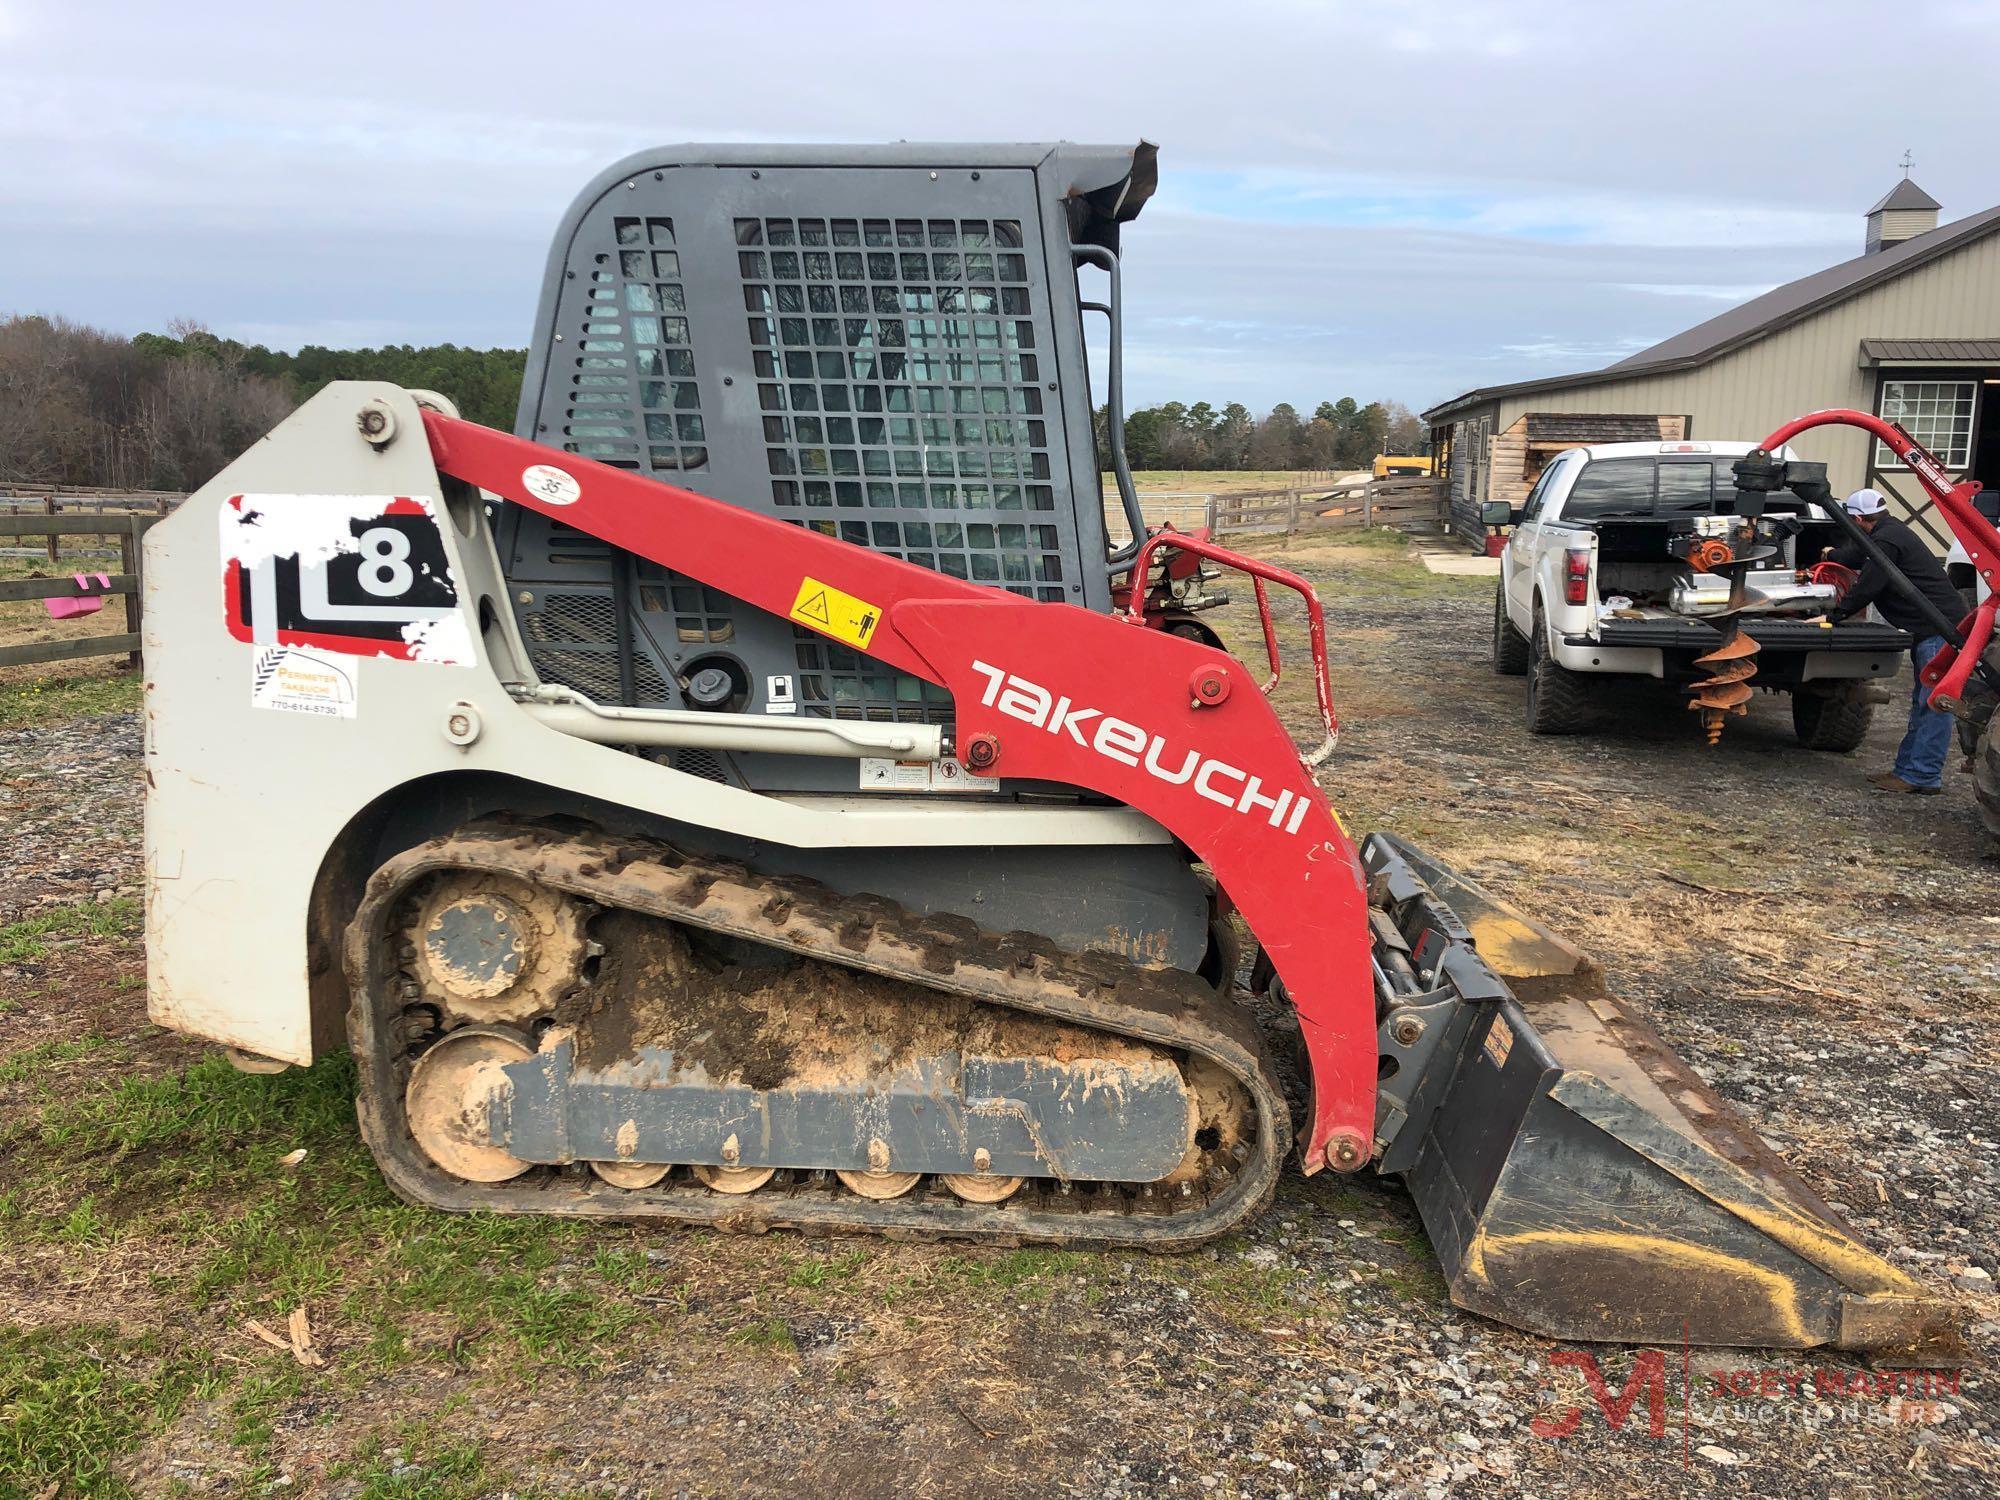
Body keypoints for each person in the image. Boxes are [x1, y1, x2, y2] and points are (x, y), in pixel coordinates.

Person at [1827, 488, 1966, 795]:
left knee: (1931, 705)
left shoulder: (1887, 541)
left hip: (1939, 630)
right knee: (1922, 704)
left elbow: (1870, 584)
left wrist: (1836, 614)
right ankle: (1908, 771)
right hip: (1932, 628)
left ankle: (1923, 776)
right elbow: (1857, 554)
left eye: (1851, 522)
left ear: (1859, 519)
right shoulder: (1890, 531)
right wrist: (1830, 555)